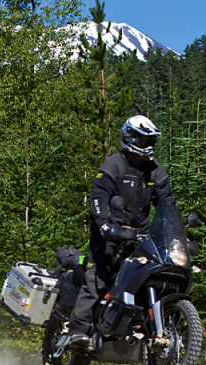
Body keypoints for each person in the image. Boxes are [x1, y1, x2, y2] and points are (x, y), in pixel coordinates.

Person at [62, 115, 175, 349]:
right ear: (131, 138)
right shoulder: (114, 164)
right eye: (145, 140)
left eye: (152, 141)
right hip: (110, 235)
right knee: (98, 278)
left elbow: (167, 205)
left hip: (139, 236)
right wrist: (104, 224)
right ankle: (78, 330)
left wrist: (173, 231)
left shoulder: (156, 172)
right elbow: (98, 197)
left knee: (146, 275)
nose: (149, 146)